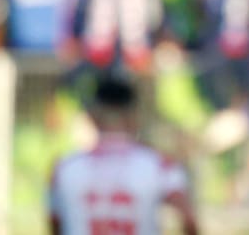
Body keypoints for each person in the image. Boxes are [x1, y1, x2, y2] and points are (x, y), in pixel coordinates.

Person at [48, 75, 198, 235]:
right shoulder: (159, 165)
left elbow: (55, 222)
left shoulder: (64, 167)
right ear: (134, 116)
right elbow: (188, 218)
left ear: (93, 117)